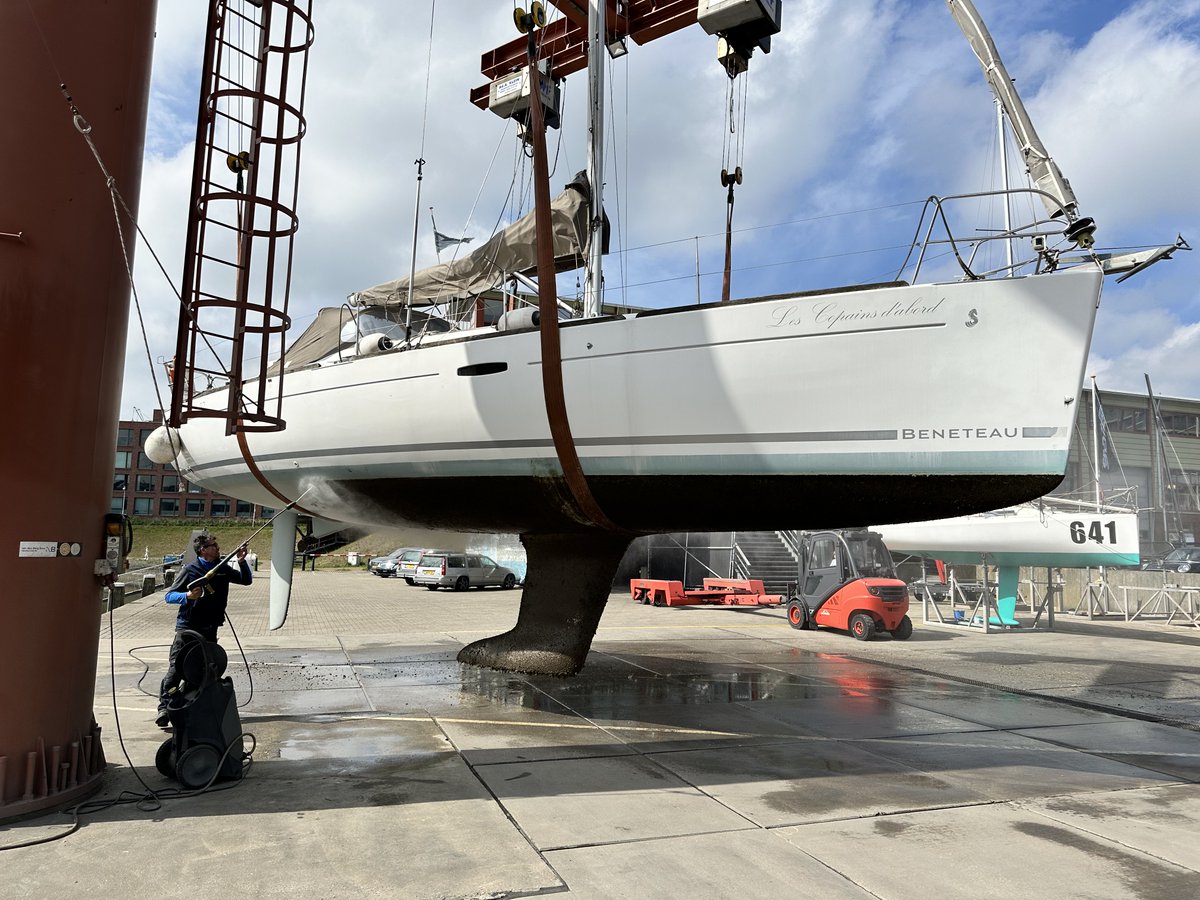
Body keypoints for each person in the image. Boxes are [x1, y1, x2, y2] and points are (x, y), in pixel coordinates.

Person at [156, 532, 252, 727]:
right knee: (177, 668)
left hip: (210, 628)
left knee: (202, 669)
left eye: (216, 545)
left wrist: (241, 561)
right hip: (188, 627)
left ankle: (191, 704)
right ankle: (165, 707)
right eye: (213, 546)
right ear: (203, 550)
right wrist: (187, 596)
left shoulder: (221, 569)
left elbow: (246, 580)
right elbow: (169, 596)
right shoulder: (190, 569)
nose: (217, 548)